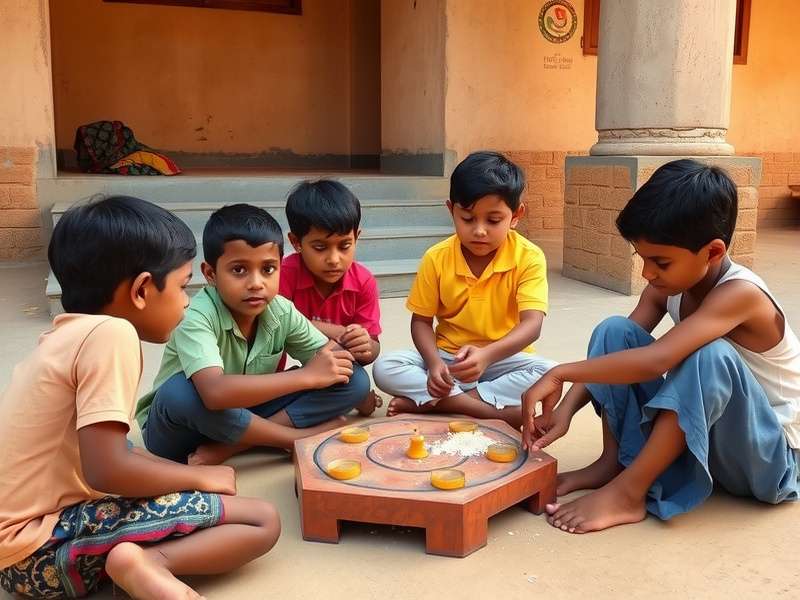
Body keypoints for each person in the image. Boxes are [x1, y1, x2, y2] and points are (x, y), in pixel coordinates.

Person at [0, 196, 279, 599]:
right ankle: (149, 563)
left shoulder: (60, 338)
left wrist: (181, 480)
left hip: (17, 559)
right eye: (183, 286)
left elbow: (119, 449)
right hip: (42, 547)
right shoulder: (110, 335)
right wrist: (199, 476)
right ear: (142, 289)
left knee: (197, 494)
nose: (186, 301)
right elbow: (107, 470)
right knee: (261, 520)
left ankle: (136, 560)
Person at [522, 159, 800, 534]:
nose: (648, 274)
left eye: (661, 262)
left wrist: (559, 372)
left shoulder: (741, 294)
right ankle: (614, 462)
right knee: (614, 331)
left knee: (710, 356)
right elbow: (618, 355)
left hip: (771, 459)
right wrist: (568, 408)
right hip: (708, 442)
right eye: (643, 258)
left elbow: (657, 360)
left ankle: (628, 492)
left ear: (713, 253)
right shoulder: (668, 286)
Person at [136, 204, 369, 466]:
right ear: (211, 274)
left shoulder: (281, 310)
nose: (256, 283)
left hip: (246, 412)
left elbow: (329, 360)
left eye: (268, 269)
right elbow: (215, 394)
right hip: (179, 430)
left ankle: (235, 446)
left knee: (354, 379)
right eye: (239, 270)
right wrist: (305, 376)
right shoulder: (197, 315)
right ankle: (292, 438)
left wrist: (349, 354)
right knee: (179, 392)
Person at [373, 151, 556, 428]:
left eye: (493, 220)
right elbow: (421, 322)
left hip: (503, 360)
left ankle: (440, 405)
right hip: (449, 361)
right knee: (385, 367)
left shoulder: (529, 257)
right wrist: (434, 364)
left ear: (516, 215)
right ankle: (486, 411)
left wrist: (487, 355)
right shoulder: (437, 257)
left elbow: (532, 325)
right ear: (451, 210)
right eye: (468, 219)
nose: (479, 230)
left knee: (549, 373)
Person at [280, 179, 383, 415]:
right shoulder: (285, 274)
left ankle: (350, 396)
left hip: (338, 366)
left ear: (357, 237)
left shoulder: (364, 281)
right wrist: (338, 332)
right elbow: (278, 327)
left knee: (356, 378)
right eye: (320, 247)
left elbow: (372, 350)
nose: (334, 259)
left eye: (344, 246)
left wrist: (365, 345)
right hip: (292, 371)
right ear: (296, 242)